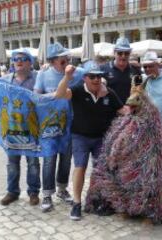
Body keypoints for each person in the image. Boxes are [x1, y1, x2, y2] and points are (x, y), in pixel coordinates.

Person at [51, 61, 124, 221]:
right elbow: (59, 95)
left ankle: (96, 199)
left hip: (101, 138)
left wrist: (140, 103)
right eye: (92, 76)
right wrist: (67, 76)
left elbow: (123, 110)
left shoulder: (108, 93)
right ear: (85, 78)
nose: (96, 80)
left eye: (98, 76)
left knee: (100, 170)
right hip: (80, 137)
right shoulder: (77, 90)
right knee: (80, 167)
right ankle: (77, 203)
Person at [34, 42, 85, 212]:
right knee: (49, 159)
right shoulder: (43, 74)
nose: (66, 63)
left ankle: (62, 189)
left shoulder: (75, 74)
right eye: (62, 60)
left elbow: (91, 74)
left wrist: (103, 77)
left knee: (65, 158)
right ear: (53, 61)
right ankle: (47, 193)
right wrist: (55, 95)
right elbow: (36, 97)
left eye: (67, 59)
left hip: (71, 124)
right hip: (49, 124)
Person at [0, 49, 41, 206]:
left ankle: (33, 192)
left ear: (30, 62)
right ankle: (12, 191)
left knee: (33, 163)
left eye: (23, 58)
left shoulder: (38, 78)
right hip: (11, 129)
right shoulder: (5, 80)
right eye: (16, 58)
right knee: (12, 163)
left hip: (32, 129)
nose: (19, 61)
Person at [100, 37, 141, 104]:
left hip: (130, 110)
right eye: (120, 53)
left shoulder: (135, 70)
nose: (123, 56)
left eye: (126, 53)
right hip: (110, 111)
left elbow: (139, 91)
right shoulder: (103, 69)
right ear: (114, 53)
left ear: (130, 54)